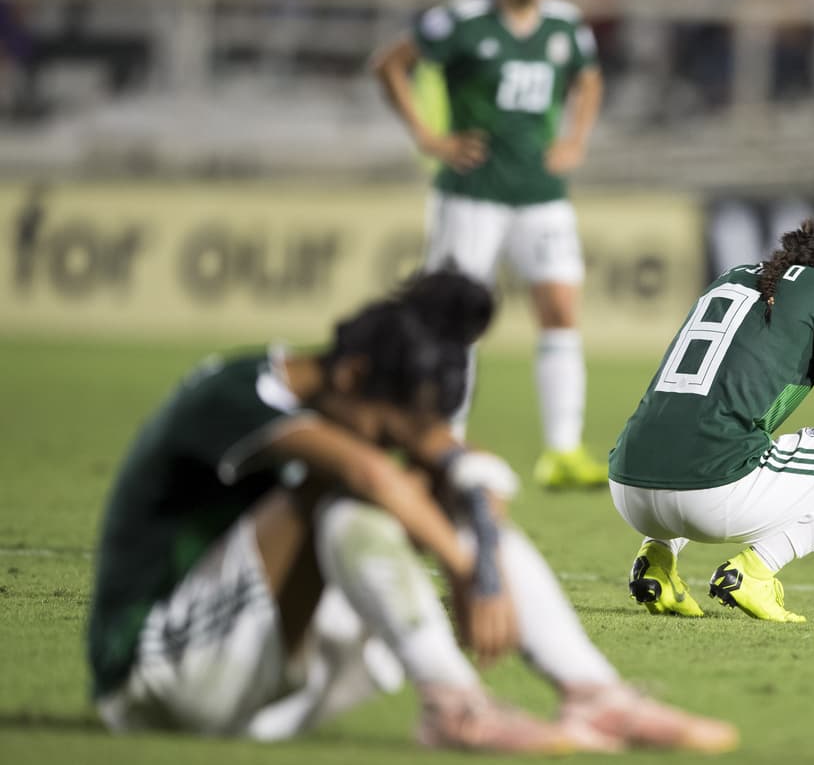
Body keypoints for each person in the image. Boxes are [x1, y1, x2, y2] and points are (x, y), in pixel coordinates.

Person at [86, 271, 739, 754]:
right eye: (386, 424)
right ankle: (454, 707)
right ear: (352, 375)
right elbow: (369, 472)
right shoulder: (236, 392)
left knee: (437, 490)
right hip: (158, 675)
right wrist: (464, 566)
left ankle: (596, 696)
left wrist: (479, 545)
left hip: (264, 671)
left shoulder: (358, 388)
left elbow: (464, 464)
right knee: (344, 493)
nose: (391, 439)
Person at [373, 0, 607, 490]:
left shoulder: (566, 24)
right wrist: (430, 139)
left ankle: (562, 450)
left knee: (560, 311)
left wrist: (576, 139)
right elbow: (391, 64)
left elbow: (590, 79)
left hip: (540, 194)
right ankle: (443, 443)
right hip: (472, 194)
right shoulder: (461, 21)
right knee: (455, 319)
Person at [609, 220, 814, 623]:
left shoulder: (732, 277)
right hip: (710, 494)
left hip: (628, 485)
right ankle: (756, 570)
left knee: (711, 429)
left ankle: (657, 559)